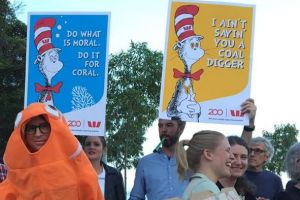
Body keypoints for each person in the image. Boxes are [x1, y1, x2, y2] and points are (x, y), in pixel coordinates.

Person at [0, 102, 104, 199]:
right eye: (31, 128)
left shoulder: (77, 166)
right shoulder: (16, 174)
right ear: (24, 135)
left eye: (44, 126)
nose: (38, 134)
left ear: (55, 128)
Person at [129, 118, 189, 200]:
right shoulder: (145, 163)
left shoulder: (192, 160)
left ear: (181, 128)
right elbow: (136, 197)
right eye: (160, 126)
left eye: (169, 125)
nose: (163, 130)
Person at [176, 130, 233, 199]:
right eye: (227, 150)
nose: (232, 157)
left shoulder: (200, 186)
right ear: (208, 154)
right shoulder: (206, 188)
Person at [83, 136, 126, 200]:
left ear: (104, 149)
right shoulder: (74, 173)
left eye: (96, 144)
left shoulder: (115, 175)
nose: (91, 147)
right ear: (83, 148)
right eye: (88, 144)